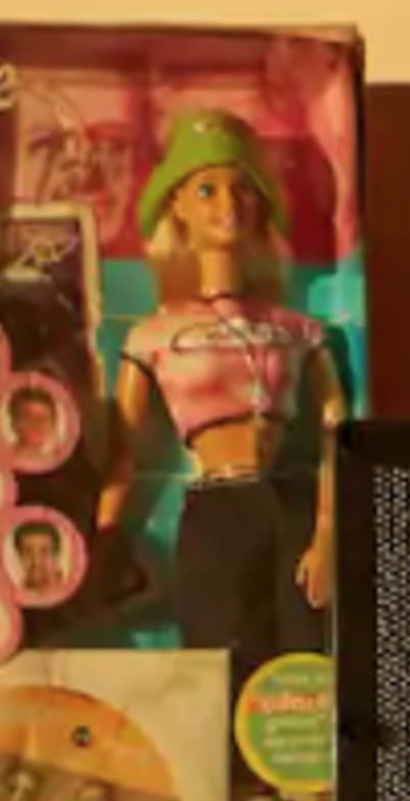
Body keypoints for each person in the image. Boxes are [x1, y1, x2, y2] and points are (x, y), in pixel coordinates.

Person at [96, 111, 347, 664]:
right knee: (218, 665)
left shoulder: (298, 332)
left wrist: (329, 533)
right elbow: (124, 451)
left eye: (243, 190)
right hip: (216, 512)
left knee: (304, 670)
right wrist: (106, 535)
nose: (228, 204)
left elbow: (338, 434)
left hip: (292, 507)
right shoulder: (154, 336)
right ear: (177, 207)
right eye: (206, 189)